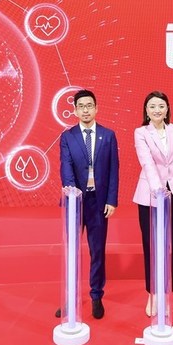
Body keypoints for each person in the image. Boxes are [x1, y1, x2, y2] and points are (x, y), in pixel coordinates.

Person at [59, 89, 119, 319]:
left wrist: (111, 199)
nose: (85, 110)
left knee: (97, 250)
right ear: (75, 111)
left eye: (89, 106)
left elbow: (114, 169)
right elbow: (66, 166)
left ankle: (96, 296)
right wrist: (72, 193)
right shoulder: (68, 137)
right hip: (75, 202)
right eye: (81, 106)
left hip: (99, 202)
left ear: (96, 108)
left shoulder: (108, 135)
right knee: (72, 251)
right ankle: (70, 298)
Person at [133, 91, 173, 317]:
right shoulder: (141, 133)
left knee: (169, 246)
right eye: (152, 106)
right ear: (146, 111)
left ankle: (165, 294)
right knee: (151, 246)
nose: (157, 110)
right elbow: (147, 163)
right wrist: (159, 191)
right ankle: (153, 294)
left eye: (161, 106)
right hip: (150, 197)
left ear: (167, 109)